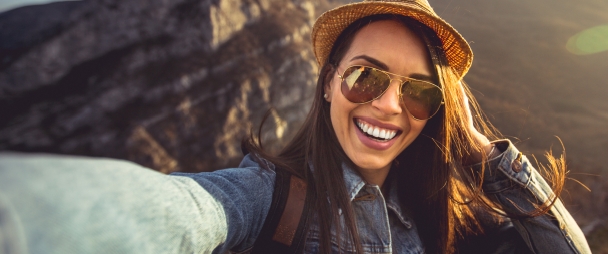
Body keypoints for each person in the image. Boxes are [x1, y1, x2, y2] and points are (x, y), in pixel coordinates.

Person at [0, 0, 592, 253]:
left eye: (418, 91)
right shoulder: (267, 198)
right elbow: (178, 210)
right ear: (329, 81)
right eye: (366, 77)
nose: (389, 105)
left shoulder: (452, 216)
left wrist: (485, 153)